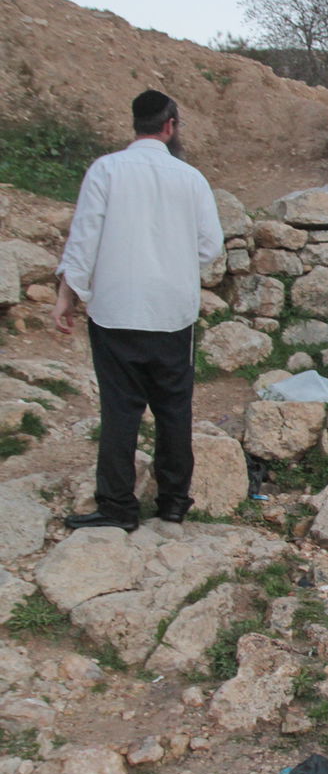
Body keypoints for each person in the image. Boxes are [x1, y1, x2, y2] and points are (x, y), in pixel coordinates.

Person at [54, 91, 223, 531]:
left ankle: (117, 507)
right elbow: (210, 246)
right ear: (170, 126)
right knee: (173, 410)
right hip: (172, 314)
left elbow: (85, 236)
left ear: (136, 124)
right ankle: (172, 503)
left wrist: (67, 294)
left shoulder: (106, 170)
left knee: (120, 411)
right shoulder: (191, 178)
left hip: (116, 309)